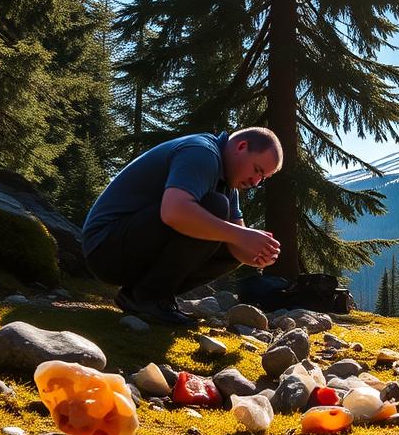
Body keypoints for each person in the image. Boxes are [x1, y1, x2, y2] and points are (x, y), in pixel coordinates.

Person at [82, 127, 284, 326]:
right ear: (241, 146)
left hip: (128, 249)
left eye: (262, 179)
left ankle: (146, 296)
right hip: (105, 247)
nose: (255, 182)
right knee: (215, 208)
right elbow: (173, 211)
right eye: (257, 170)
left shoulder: (228, 184)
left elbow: (238, 243)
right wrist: (241, 236)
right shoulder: (202, 152)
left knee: (229, 232)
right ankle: (148, 297)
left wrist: (259, 254)